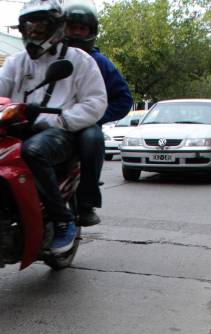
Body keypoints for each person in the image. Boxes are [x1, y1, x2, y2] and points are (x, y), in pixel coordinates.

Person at [0, 0, 107, 254]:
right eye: (28, 28)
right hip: (18, 127)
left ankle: (62, 220)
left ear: (55, 28)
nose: (33, 33)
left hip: (61, 131)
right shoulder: (17, 61)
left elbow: (96, 102)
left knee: (32, 151)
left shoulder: (80, 60)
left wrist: (62, 119)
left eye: (39, 27)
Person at [64, 0, 133, 226]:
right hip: (52, 121)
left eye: (82, 28)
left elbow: (124, 100)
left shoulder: (100, 63)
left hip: (84, 125)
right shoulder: (51, 56)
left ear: (91, 32)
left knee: (92, 139)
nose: (76, 33)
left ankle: (86, 203)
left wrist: (95, 116)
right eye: (72, 27)